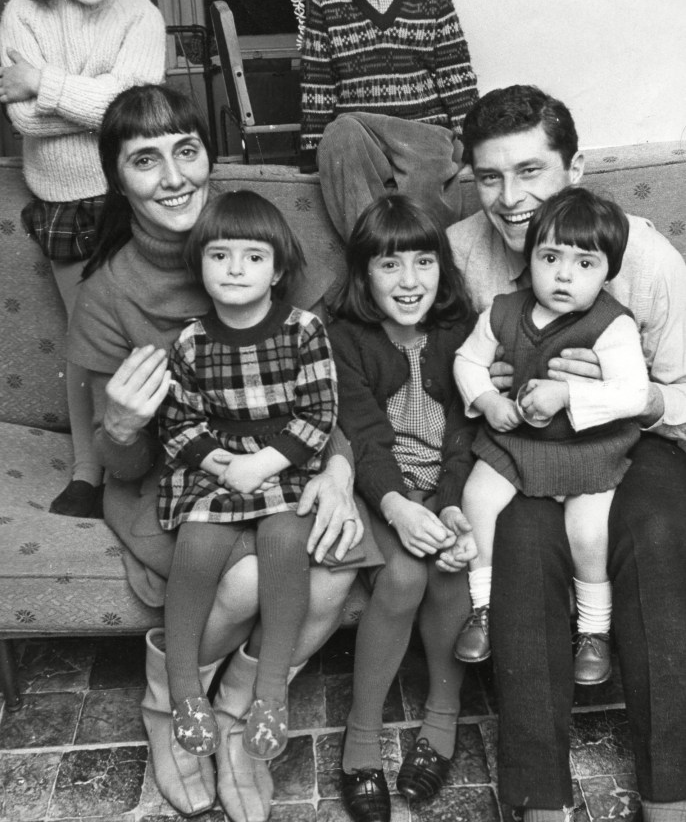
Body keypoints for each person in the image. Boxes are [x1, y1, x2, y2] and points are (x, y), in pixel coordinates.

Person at [68, 84, 375, 822]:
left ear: (210, 156)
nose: (173, 176)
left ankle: (236, 720)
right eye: (146, 160)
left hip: (278, 462)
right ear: (118, 178)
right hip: (174, 477)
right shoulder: (108, 294)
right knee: (242, 581)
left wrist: (338, 469)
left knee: (335, 566)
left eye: (186, 151)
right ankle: (168, 702)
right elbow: (131, 463)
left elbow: (316, 388)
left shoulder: (257, 239)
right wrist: (119, 425)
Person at [447, 84, 686, 822]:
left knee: (648, 535)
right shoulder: (460, 251)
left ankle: (669, 794)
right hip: (522, 439)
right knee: (518, 542)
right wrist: (486, 386)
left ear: (574, 170)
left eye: (530, 172)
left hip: (637, 436)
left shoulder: (639, 253)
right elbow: (430, 357)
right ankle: (539, 800)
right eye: (490, 176)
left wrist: (636, 395)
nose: (510, 199)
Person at [0, 0, 166, 519]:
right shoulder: (22, 15)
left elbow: (139, 116)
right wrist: (99, 96)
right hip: (66, 207)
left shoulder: (140, 15)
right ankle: (86, 471)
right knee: (86, 342)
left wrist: (45, 82)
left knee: (144, 339)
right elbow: (26, 122)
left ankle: (147, 464)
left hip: (134, 203)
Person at [158, 189, 339, 762]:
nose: (236, 269)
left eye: (254, 257)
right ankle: (184, 688)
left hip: (282, 461)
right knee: (197, 548)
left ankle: (269, 692)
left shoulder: (304, 330)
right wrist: (219, 463)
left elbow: (319, 413)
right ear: (200, 265)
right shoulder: (191, 340)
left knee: (287, 543)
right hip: (217, 463)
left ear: (278, 268)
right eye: (220, 255)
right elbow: (178, 421)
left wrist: (264, 463)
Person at [452, 187, 648, 685]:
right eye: (551, 257)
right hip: (516, 443)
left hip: (585, 451)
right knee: (476, 498)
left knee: (588, 535)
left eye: (586, 264)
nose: (564, 274)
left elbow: (633, 393)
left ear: (609, 273)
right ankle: (483, 607)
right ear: (530, 255)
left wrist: (567, 395)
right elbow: (467, 361)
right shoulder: (502, 309)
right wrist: (487, 400)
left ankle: (594, 630)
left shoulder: (612, 325)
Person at [328, 194, 478, 822]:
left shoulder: (458, 331)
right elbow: (362, 437)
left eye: (423, 262)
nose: (409, 281)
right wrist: (397, 507)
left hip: (442, 488)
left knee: (447, 570)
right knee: (402, 573)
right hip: (376, 490)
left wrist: (445, 510)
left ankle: (442, 720)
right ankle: (360, 743)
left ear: (443, 268)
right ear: (364, 274)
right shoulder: (346, 337)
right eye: (390, 266)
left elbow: (466, 436)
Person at [300, 0, 478, 239]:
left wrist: (470, 137)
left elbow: (455, 72)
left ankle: (427, 256)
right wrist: (313, 149)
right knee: (339, 136)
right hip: (361, 130)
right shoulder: (327, 0)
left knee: (431, 172)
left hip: (423, 131)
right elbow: (318, 84)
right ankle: (373, 254)